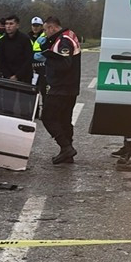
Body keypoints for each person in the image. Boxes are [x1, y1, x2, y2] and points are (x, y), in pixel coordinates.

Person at [40, 16, 82, 164]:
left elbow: (64, 64)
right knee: (64, 120)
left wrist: (48, 57)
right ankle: (67, 153)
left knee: (48, 117)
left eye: (46, 30)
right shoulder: (68, 35)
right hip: (70, 87)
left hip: (61, 88)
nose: (45, 33)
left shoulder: (63, 41)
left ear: (53, 27)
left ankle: (66, 147)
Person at [0, 14, 34, 83]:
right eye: (6, 24)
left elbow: (29, 59)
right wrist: (8, 76)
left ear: (17, 25)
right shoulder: (2, 41)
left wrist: (17, 76)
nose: (8, 26)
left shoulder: (25, 39)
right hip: (8, 77)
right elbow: (0, 60)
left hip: (24, 77)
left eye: (11, 24)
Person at [30, 16, 48, 98]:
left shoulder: (45, 37)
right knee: (32, 91)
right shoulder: (27, 37)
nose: (35, 28)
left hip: (43, 68)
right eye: (34, 25)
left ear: (41, 27)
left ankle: (45, 109)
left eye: (37, 26)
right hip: (31, 68)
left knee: (44, 91)